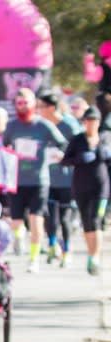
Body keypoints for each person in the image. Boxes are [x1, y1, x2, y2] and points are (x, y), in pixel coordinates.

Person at [3, 88, 68, 272]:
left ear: (33, 104)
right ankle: (20, 236)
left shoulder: (43, 125)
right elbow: (4, 145)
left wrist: (54, 154)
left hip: (39, 180)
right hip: (16, 180)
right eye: (19, 103)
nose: (22, 107)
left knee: (36, 220)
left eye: (26, 103)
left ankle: (33, 259)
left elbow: (62, 143)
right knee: (16, 222)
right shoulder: (12, 126)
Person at [61, 107, 110, 275]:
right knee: (87, 221)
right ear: (84, 122)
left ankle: (95, 257)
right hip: (81, 187)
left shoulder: (105, 138)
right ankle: (90, 254)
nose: (91, 124)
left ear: (98, 122)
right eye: (88, 120)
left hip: (101, 187)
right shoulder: (77, 140)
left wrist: (103, 152)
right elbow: (65, 160)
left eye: (94, 121)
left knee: (97, 219)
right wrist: (79, 159)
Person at [39, 93, 81, 267]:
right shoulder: (41, 126)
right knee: (49, 217)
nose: (39, 110)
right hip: (46, 178)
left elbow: (81, 147)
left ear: (51, 108)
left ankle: (67, 251)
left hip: (67, 179)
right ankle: (52, 245)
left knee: (64, 217)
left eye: (41, 107)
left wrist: (64, 157)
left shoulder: (70, 125)